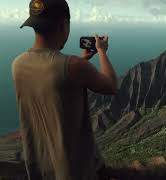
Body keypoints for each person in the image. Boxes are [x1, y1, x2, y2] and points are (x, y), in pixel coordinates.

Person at [11, 0, 118, 179]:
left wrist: (82, 61)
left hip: (39, 170)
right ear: (64, 25)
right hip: (74, 172)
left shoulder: (17, 65)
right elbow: (111, 85)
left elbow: (52, 79)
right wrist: (101, 51)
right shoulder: (73, 67)